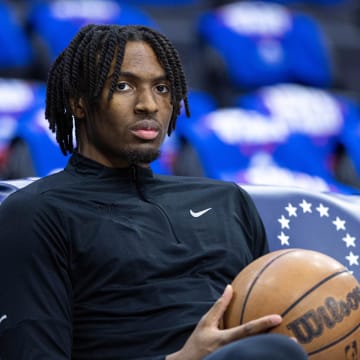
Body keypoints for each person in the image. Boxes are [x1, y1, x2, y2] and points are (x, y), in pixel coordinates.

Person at [0, 24, 308, 360]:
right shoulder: (35, 212)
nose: (149, 104)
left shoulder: (228, 201)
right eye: (123, 86)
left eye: (162, 88)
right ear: (78, 103)